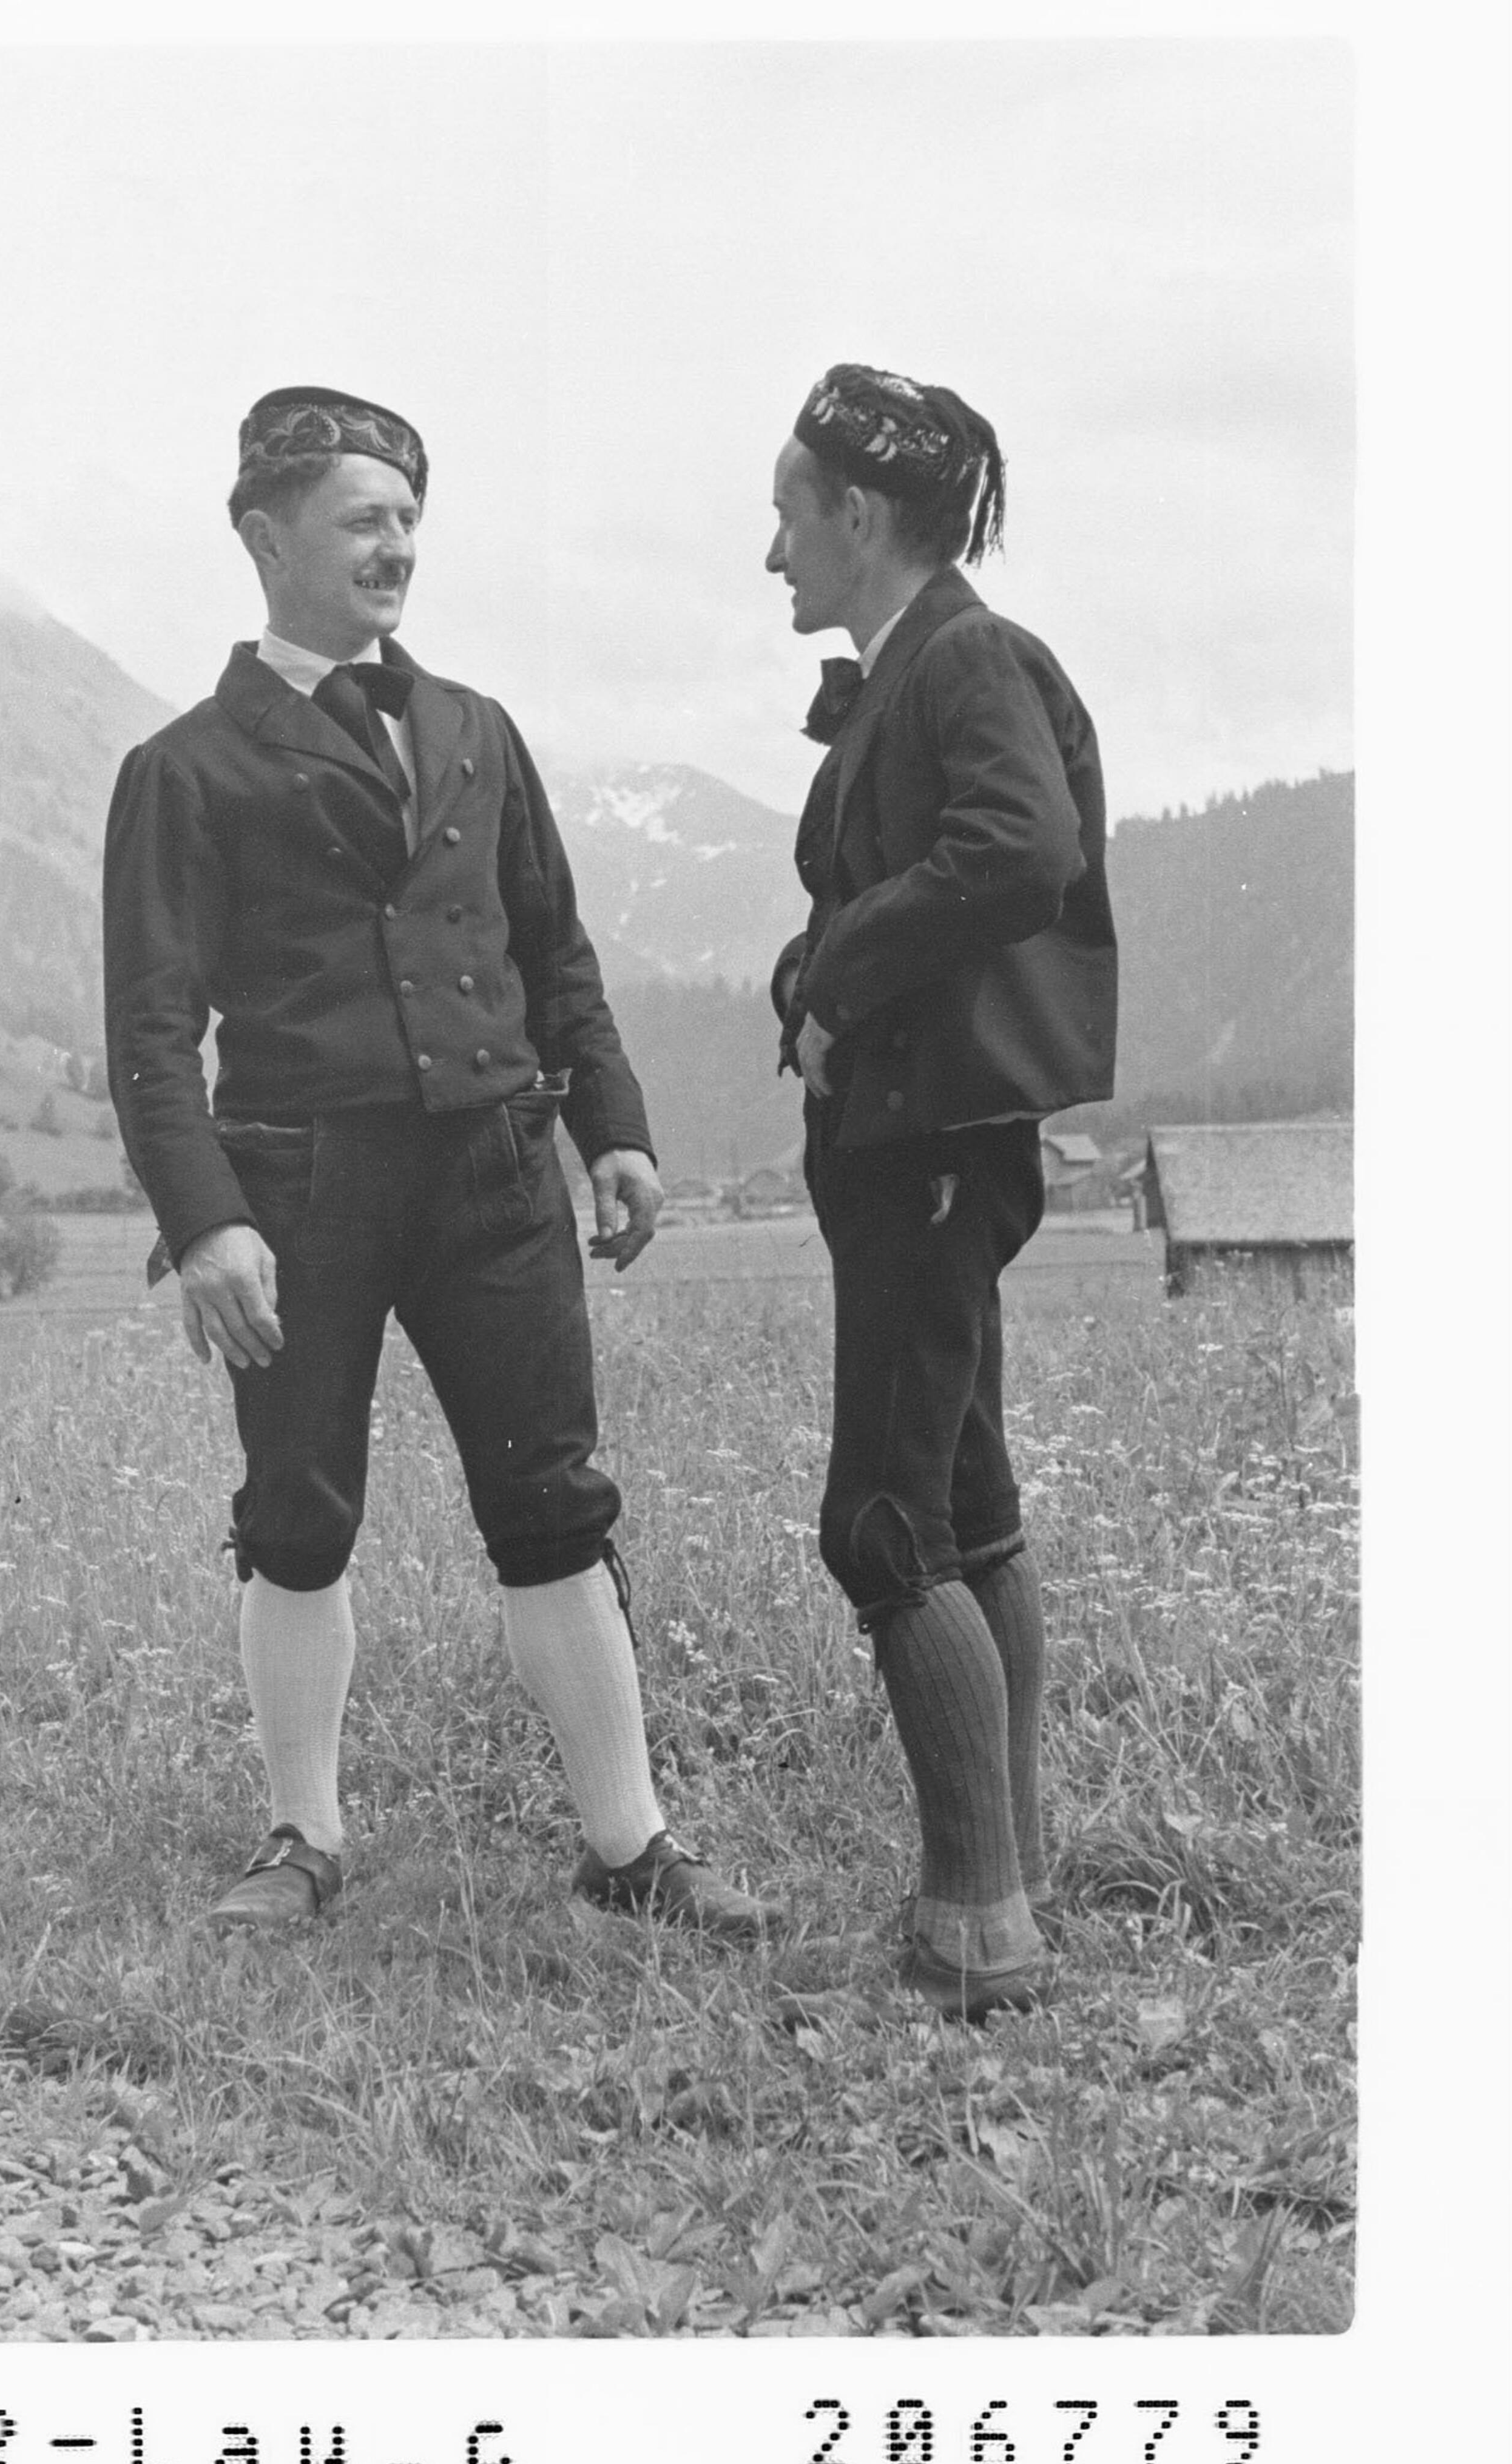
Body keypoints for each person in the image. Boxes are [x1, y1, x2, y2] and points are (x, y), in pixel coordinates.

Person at [104, 384, 781, 1941]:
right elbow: (150, 1030)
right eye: (363, 520)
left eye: (409, 519)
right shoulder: (184, 768)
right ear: (266, 539)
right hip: (299, 1188)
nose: (397, 546)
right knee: (297, 1511)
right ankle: (304, 1840)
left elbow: (556, 954)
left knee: (553, 1500)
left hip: (494, 1176)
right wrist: (205, 1224)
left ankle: (630, 1849)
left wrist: (614, 1129)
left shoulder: (477, 730)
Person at [765, 364, 1116, 2016]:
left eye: (787, 515)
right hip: (916, 1145)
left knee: (886, 1524)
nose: (774, 552)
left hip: (925, 1148)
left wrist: (839, 982)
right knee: (967, 1509)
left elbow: (1018, 852)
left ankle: (978, 1925)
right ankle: (1007, 1881)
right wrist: (813, 976)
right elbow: (902, 884)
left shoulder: (965, 658)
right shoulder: (914, 670)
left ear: (857, 513)